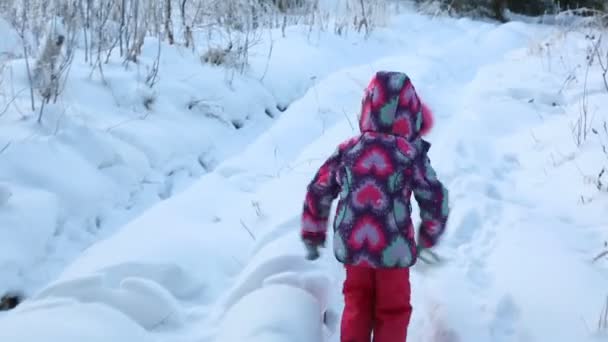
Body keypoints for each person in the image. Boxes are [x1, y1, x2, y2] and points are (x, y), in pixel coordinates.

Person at [300, 71, 450, 342]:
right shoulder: (410, 154)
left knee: (357, 305)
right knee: (393, 311)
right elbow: (434, 197)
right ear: (411, 114)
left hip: (354, 247)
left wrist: (313, 232)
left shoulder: (348, 150)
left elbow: (319, 188)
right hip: (393, 251)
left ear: (367, 108)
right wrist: (429, 235)